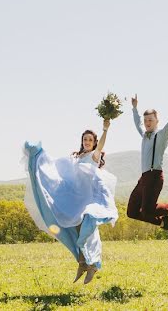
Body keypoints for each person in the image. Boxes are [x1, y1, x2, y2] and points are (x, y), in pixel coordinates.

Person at [22, 118, 117, 285]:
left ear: (94, 143)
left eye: (90, 140)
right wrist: (39, 157)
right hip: (74, 198)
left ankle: (91, 264)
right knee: (72, 229)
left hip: (87, 199)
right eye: (85, 139)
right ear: (82, 141)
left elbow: (101, 146)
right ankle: (83, 263)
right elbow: (60, 169)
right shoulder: (76, 156)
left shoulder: (94, 156)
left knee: (85, 230)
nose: (87, 142)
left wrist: (105, 129)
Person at [126, 82, 168, 236]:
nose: (147, 123)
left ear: (156, 121)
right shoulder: (144, 135)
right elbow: (137, 124)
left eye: (150, 120)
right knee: (132, 211)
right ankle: (162, 222)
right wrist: (134, 108)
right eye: (146, 120)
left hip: (154, 176)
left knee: (147, 210)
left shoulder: (161, 136)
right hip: (144, 177)